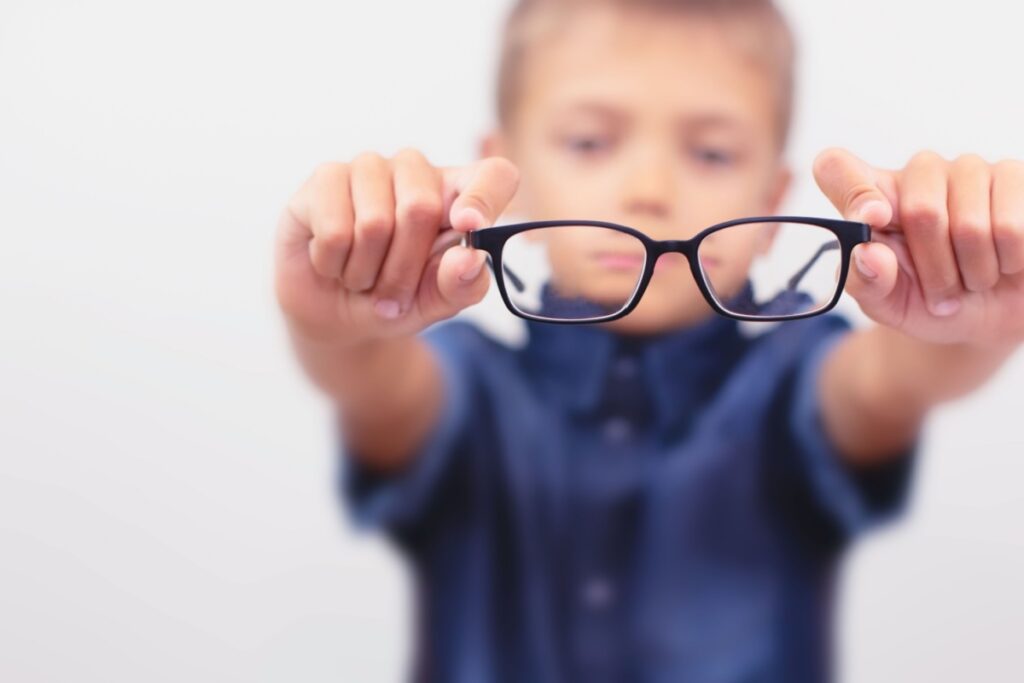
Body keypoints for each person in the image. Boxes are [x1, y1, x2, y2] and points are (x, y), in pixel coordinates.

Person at [273, 0, 1024, 680]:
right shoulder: (464, 386)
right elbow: (373, 378)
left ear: (770, 206)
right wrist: (334, 317)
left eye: (712, 153)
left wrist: (962, 310)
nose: (650, 188)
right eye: (592, 141)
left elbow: (888, 381)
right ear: (507, 177)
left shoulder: (796, 379)